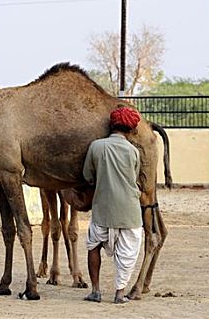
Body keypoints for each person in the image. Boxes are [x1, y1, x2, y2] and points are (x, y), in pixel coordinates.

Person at [82, 106, 143, 304]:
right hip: (130, 212)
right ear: (132, 130)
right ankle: (119, 293)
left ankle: (96, 291)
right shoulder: (133, 152)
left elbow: (87, 176)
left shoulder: (96, 147)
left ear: (111, 125)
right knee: (127, 254)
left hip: (102, 209)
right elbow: (133, 177)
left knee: (93, 246)